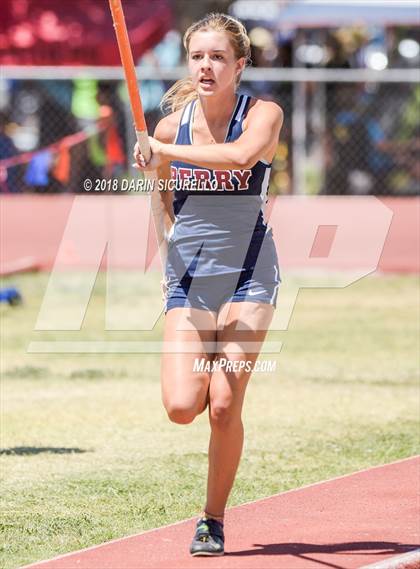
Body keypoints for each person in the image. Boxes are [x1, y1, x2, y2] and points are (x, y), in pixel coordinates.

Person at [133, 13, 283, 557]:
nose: (206, 66)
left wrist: (165, 151)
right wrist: (153, 168)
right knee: (181, 406)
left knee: (224, 403)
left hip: (249, 271)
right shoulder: (171, 128)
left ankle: (212, 520)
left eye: (218, 56)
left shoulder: (263, 114)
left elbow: (242, 158)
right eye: (198, 56)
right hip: (192, 277)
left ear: (239, 65)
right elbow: (164, 202)